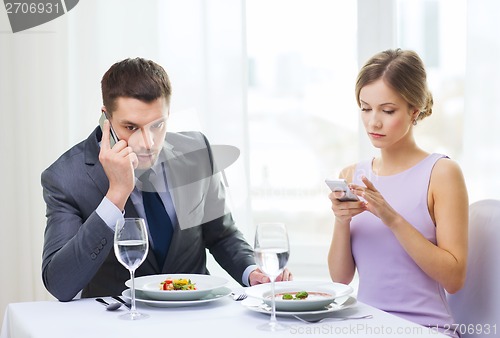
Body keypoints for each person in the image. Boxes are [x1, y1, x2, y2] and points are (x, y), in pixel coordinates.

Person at [41, 57, 291, 302]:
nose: (148, 143)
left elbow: (221, 235)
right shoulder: (66, 178)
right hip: (119, 325)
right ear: (106, 119)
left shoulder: (197, 152)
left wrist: (251, 272)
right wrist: (115, 196)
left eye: (157, 125)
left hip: (195, 316)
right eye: (131, 127)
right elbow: (61, 285)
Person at [327, 49, 468, 337]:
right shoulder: (351, 175)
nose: (373, 122)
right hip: (364, 327)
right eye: (366, 108)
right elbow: (340, 279)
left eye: (387, 110)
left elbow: (454, 279)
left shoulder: (442, 173)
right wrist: (342, 221)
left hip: (426, 329)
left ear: (414, 110)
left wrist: (393, 219)